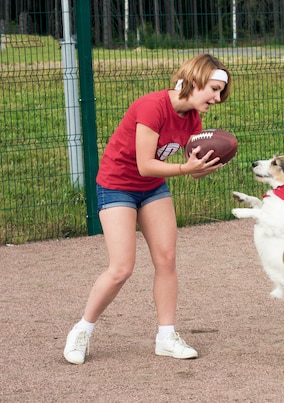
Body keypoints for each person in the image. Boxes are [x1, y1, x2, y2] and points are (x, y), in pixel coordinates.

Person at [63, 54, 231, 365]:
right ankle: (82, 330)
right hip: (117, 184)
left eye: (221, 91)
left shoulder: (193, 117)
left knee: (166, 259)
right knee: (122, 268)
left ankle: (166, 336)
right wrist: (185, 167)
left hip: (151, 187)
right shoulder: (152, 106)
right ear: (194, 81)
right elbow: (144, 164)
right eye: (214, 88)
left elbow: (189, 170)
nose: (218, 98)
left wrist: (206, 165)